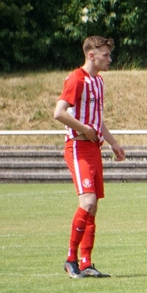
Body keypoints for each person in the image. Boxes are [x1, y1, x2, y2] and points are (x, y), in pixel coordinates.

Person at [54, 36, 126, 278]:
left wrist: (113, 143)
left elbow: (97, 119)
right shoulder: (77, 78)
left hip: (94, 148)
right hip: (78, 146)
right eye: (106, 55)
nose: (110, 59)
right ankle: (70, 259)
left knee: (93, 207)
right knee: (87, 201)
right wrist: (84, 129)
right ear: (91, 55)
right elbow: (59, 112)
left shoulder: (99, 81)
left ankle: (86, 262)